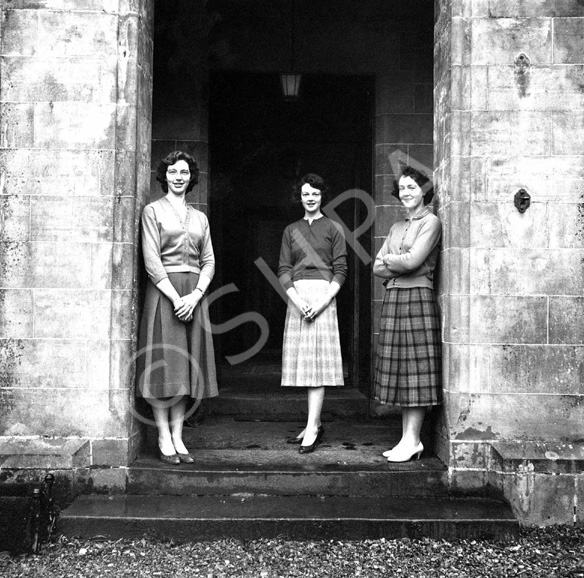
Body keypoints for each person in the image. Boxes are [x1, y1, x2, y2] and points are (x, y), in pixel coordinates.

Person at [137, 151, 218, 465]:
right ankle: (162, 435)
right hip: (164, 294)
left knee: (186, 366)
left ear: (192, 177)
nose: (179, 177)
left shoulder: (200, 219)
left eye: (184, 172)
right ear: (164, 176)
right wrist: (175, 298)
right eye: (173, 172)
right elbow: (151, 261)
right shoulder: (152, 212)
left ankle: (178, 435)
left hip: (194, 296)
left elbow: (208, 260)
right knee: (164, 365)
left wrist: (196, 295)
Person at [372, 166, 442, 463]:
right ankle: (406, 440)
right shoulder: (396, 227)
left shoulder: (432, 222)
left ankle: (413, 439)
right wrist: (394, 262)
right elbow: (376, 267)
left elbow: (414, 261)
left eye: (412, 187)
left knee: (415, 371)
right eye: (402, 188)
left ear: (424, 190)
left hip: (417, 298)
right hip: (395, 297)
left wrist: (391, 259)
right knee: (401, 370)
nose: (406, 193)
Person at [278, 173, 347, 454]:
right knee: (305, 366)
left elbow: (341, 270)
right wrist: (295, 300)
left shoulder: (333, 228)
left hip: (323, 298)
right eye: (306, 194)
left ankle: (313, 427)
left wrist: (322, 302)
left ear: (322, 197)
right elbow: (283, 269)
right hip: (297, 298)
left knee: (318, 367)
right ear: (300, 196)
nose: (310, 198)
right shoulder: (290, 230)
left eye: (315, 194)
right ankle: (312, 424)